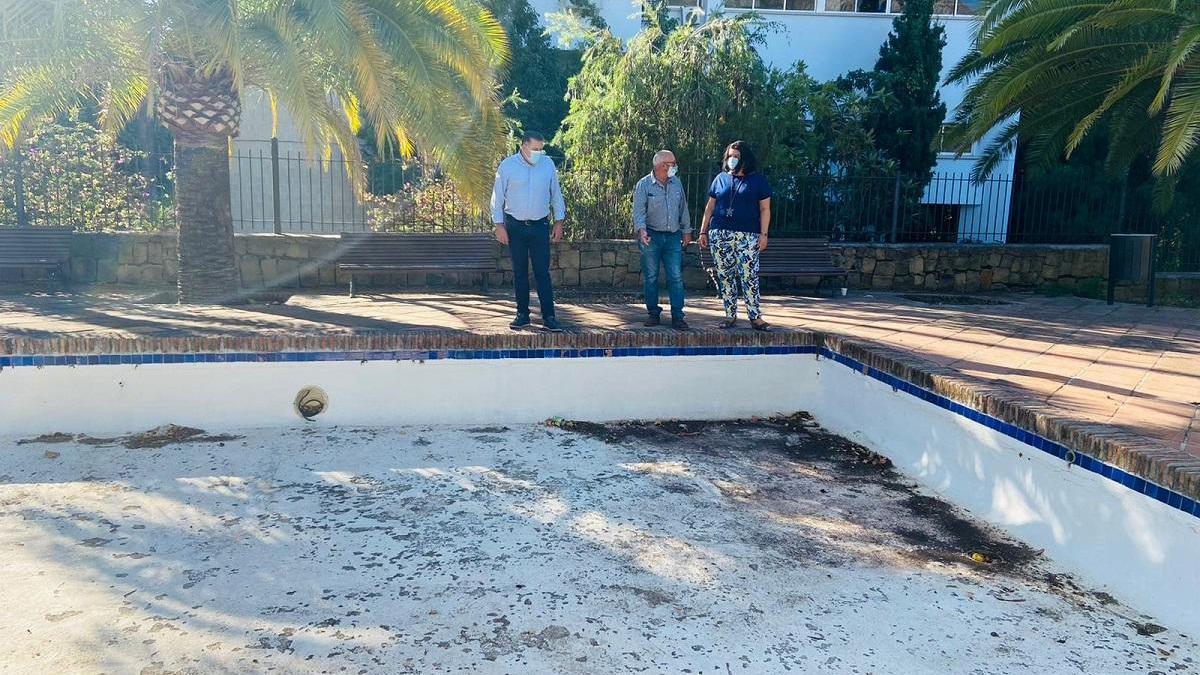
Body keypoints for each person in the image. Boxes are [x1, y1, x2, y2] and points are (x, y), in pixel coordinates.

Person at [490, 131, 566, 331]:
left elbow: (556, 193)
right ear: (523, 146)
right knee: (520, 272)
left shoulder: (548, 164)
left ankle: (549, 316)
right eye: (535, 149)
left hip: (540, 225)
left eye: (541, 149)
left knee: (542, 272)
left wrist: (559, 221)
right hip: (515, 226)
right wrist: (499, 225)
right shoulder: (507, 166)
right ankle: (522, 315)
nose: (538, 153)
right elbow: (497, 198)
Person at [698, 140, 772, 331]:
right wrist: (703, 230)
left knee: (749, 276)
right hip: (720, 233)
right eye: (730, 156)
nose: (732, 159)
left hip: (748, 235)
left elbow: (765, 209)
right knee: (725, 275)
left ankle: (755, 317)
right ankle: (730, 315)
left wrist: (764, 235)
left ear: (745, 158)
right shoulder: (721, 178)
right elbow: (710, 206)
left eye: (736, 156)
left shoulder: (758, 181)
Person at [632, 150, 692, 330]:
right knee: (651, 277)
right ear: (662, 166)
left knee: (676, 276)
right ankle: (653, 313)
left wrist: (687, 231)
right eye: (672, 163)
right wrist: (641, 230)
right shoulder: (644, 185)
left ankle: (678, 316)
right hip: (651, 236)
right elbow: (638, 211)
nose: (675, 166)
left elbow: (683, 208)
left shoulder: (676, 183)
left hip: (673, 236)